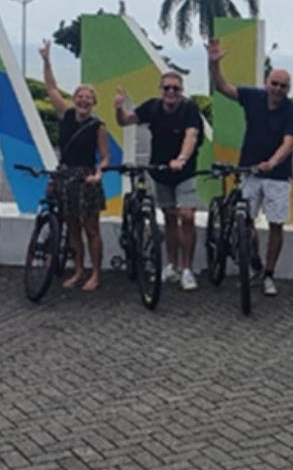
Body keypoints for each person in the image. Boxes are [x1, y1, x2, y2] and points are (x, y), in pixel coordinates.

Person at [207, 37, 293, 297]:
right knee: (245, 220)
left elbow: (289, 142)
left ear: (288, 89)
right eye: (274, 84)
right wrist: (214, 64)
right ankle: (254, 262)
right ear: (266, 83)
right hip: (249, 171)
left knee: (276, 225)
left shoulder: (292, 112)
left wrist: (272, 162)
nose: (278, 89)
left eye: (283, 86)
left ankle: (269, 274)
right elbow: (222, 87)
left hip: (278, 177)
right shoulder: (252, 97)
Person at [114, 71, 202, 290]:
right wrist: (118, 108)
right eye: (166, 88)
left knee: (187, 216)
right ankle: (171, 265)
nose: (171, 92)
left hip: (185, 171)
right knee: (170, 218)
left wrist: (181, 158)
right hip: (160, 171)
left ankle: (188, 269)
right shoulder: (152, 107)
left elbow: (191, 135)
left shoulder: (189, 109)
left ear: (181, 91)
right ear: (160, 89)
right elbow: (125, 121)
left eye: (175, 88)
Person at [40, 41, 109, 291]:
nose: (83, 101)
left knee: (92, 228)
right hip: (65, 175)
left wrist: (99, 174)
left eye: (88, 98)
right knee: (72, 228)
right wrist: (47, 60)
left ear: (93, 103)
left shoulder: (98, 126)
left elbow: (104, 156)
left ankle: (96, 273)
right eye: (80, 97)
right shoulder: (66, 114)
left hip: (86, 177)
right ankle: (78, 270)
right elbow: (51, 88)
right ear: (74, 99)